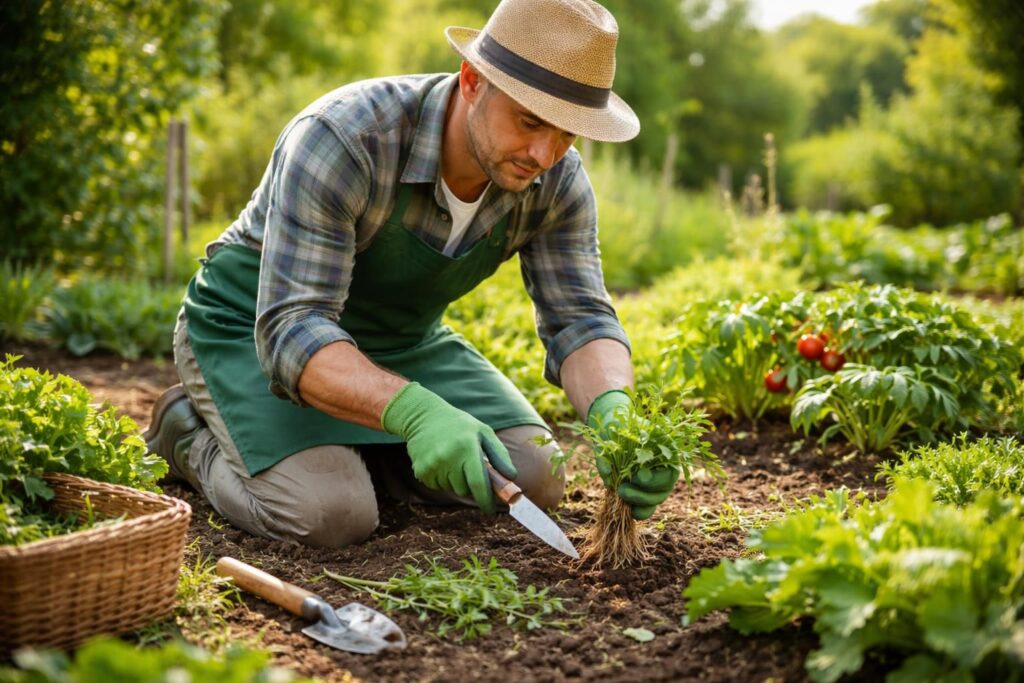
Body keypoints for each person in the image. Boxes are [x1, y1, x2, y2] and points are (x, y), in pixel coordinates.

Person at [143, 0, 680, 549]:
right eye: (529, 121)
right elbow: (293, 328)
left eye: (567, 134)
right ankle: (188, 433)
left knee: (534, 471)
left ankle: (346, 453)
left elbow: (581, 318)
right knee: (329, 516)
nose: (544, 153)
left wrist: (615, 412)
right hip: (254, 329)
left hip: (399, 343)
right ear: (473, 80)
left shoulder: (556, 181)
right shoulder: (346, 138)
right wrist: (414, 411)